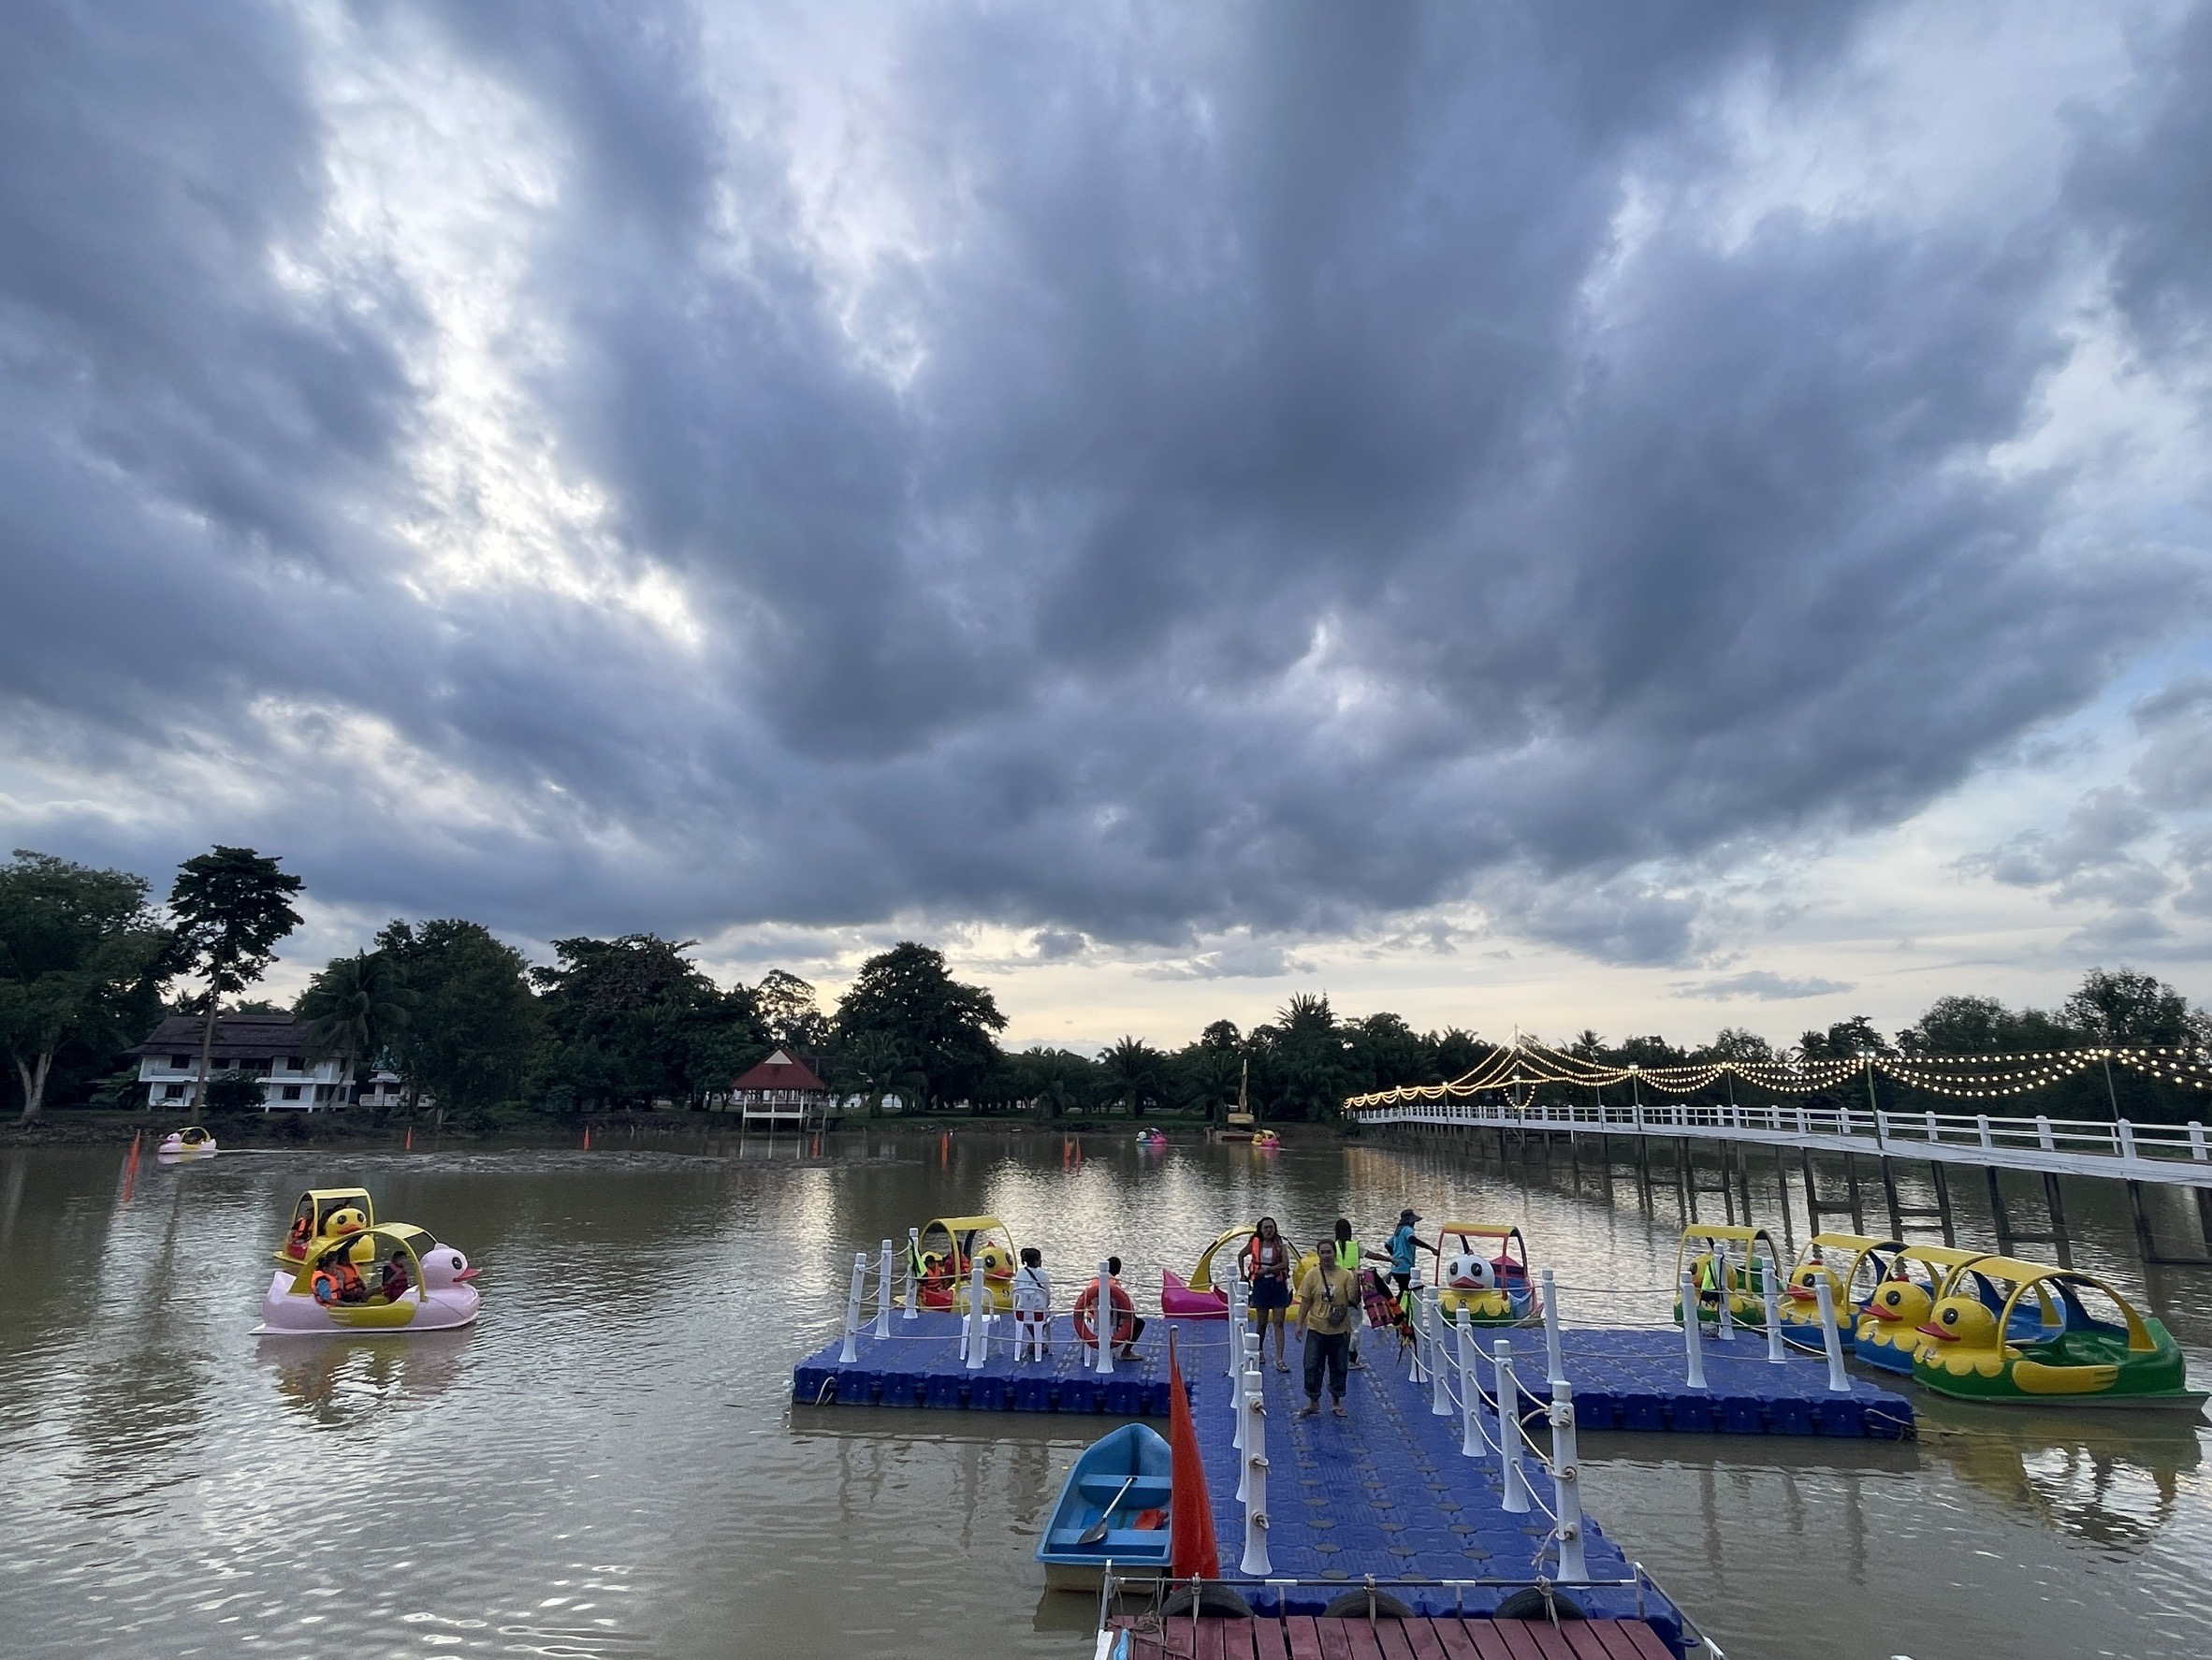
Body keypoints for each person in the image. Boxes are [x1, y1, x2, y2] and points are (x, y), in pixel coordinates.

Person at [1294, 1232, 1357, 1417]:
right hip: (1316, 1328)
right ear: (1319, 1255)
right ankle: (1313, 1401)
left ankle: (1336, 1402)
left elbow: (1353, 1300)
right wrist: (1299, 1324)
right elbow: (1305, 1301)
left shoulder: (1346, 1276)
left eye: (1329, 1252)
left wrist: (1359, 1282)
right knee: (1311, 1365)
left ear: (1334, 1254)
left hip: (1339, 1330)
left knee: (1339, 1367)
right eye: (1323, 1252)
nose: (1327, 1256)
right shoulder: (1312, 1275)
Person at [1241, 1217, 1294, 1372]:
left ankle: (1280, 1359)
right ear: (1261, 1230)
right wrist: (1243, 1275)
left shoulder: (1281, 1243)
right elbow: (1241, 1255)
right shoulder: (1255, 1242)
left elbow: (1285, 1264)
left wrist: (1269, 1270)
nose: (1269, 1230)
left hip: (1277, 1284)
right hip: (1261, 1284)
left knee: (1278, 1322)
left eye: (1271, 1227)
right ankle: (1260, 1351)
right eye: (1266, 1228)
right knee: (1262, 1322)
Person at [1074, 1257, 1146, 1360]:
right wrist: (1129, 1317)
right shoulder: (1115, 1283)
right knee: (1138, 1323)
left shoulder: (1094, 1281)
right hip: (1111, 1318)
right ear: (1118, 1270)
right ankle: (1126, 1352)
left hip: (1092, 1317)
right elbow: (1125, 1305)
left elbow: (1086, 1299)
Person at [1366, 1209, 1433, 1304]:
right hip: (1404, 1268)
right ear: (1410, 1221)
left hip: (1396, 1268)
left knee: (1403, 1291)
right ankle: (1395, 1309)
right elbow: (1412, 1239)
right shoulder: (1407, 1230)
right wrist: (1430, 1248)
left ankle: (1396, 1308)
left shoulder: (1398, 1231)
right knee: (1405, 1292)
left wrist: (1395, 1255)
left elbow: (1388, 1245)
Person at [1332, 1219, 1366, 1368]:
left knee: (1336, 1325)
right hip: (1353, 1293)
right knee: (1355, 1327)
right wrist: (1390, 1259)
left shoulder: (1333, 1248)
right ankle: (1352, 1359)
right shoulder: (1356, 1247)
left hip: (1336, 1292)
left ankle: (1334, 1357)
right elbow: (1374, 1255)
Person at [1012, 1246, 1052, 1361]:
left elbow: (1016, 1291)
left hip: (1021, 1312)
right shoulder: (1042, 1273)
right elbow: (1047, 1294)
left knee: (1029, 1314)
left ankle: (1036, 1342)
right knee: (1043, 1314)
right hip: (1038, 1312)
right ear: (1037, 1261)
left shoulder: (1020, 1273)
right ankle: (1038, 1342)